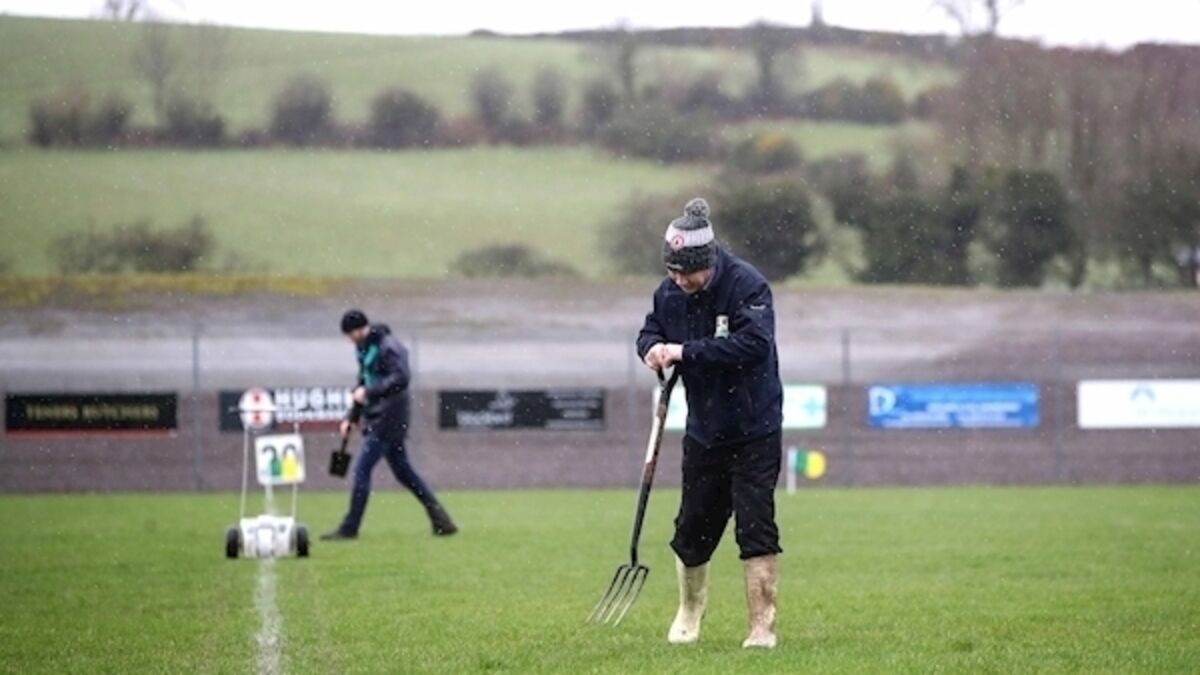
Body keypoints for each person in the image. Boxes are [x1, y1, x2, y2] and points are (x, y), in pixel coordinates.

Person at [636, 197, 784, 649]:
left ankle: (761, 627)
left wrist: (684, 351)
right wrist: (651, 349)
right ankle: (690, 611)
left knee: (755, 526)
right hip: (704, 431)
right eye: (673, 271)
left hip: (755, 428)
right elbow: (650, 330)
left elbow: (753, 345)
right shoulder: (668, 293)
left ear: (710, 261)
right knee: (693, 530)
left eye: (689, 273)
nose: (681, 281)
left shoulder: (747, 285)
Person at [322, 309, 458, 540]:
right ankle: (442, 521)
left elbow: (401, 378)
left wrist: (369, 391)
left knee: (362, 469)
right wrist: (351, 418)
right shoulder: (364, 349)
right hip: (379, 416)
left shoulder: (388, 346)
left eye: (349, 334)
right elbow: (363, 383)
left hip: (389, 418)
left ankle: (349, 528)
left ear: (359, 329)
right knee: (404, 472)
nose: (348, 339)